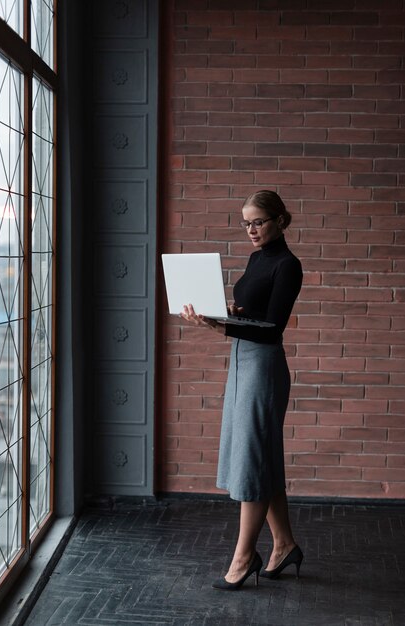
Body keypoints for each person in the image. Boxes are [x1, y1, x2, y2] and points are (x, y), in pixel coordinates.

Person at [180, 189, 304, 590]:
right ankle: (283, 544)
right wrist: (228, 312)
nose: (251, 230)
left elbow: (273, 330)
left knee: (253, 459)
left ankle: (244, 556)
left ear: (279, 220)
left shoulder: (288, 265)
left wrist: (219, 326)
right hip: (241, 364)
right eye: (246, 223)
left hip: (264, 367)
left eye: (258, 222)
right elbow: (256, 313)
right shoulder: (256, 259)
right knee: (259, 456)